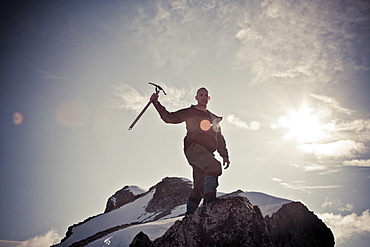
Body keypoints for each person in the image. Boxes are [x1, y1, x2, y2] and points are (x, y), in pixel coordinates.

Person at [150, 87, 230, 215]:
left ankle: (189, 218)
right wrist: (156, 103)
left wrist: (225, 155)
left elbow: (219, 138)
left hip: (206, 153)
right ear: (196, 98)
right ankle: (210, 204)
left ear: (209, 98)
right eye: (201, 95)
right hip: (194, 148)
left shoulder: (213, 118)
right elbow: (169, 118)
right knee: (214, 166)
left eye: (205, 95)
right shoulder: (190, 112)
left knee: (199, 188)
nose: (203, 97)